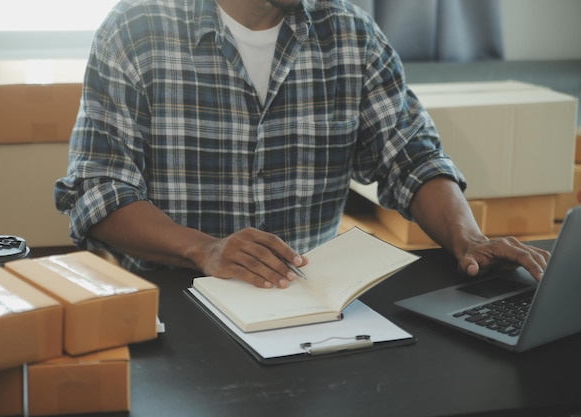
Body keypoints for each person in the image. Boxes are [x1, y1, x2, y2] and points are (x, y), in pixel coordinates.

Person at [55, 0, 549, 289]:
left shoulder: (351, 33)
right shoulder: (134, 31)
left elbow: (412, 155)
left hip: (310, 301)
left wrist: (470, 239)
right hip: (174, 300)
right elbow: (99, 192)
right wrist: (205, 250)